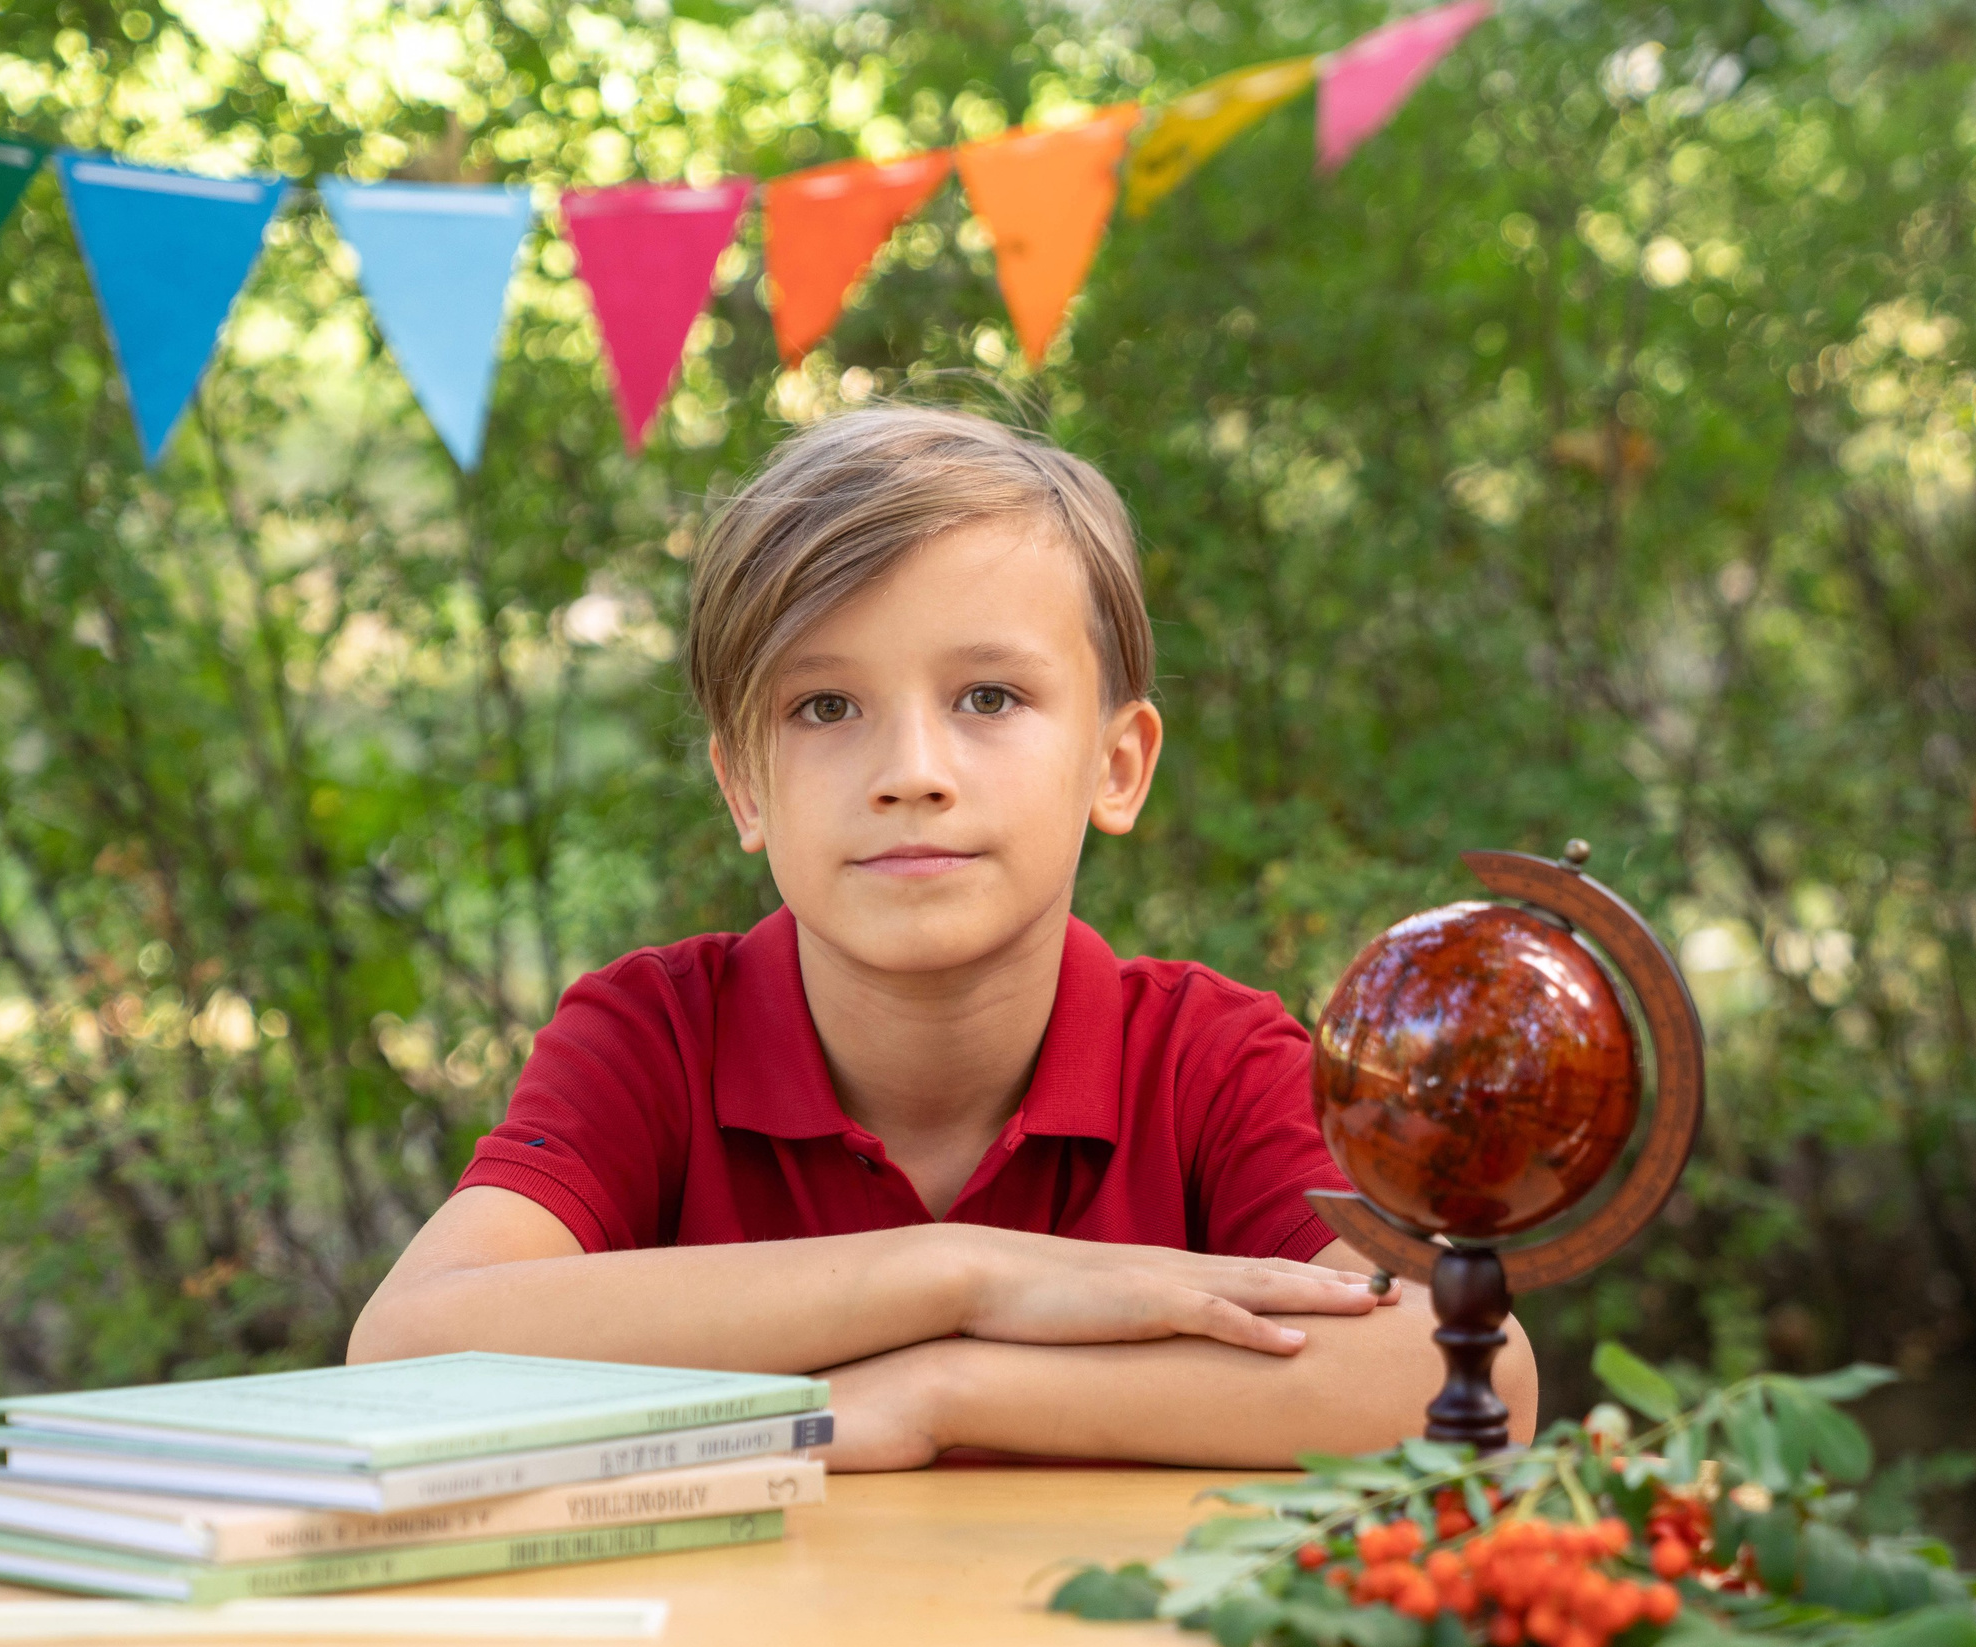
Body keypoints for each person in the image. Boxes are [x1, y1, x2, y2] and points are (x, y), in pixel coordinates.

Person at [348, 406, 1537, 1468]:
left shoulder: (1206, 1058)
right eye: (824, 707)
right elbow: (405, 1352)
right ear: (745, 786)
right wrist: (962, 1273)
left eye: (988, 698)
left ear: (1116, 765)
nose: (911, 772)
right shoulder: (653, 1038)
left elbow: (1464, 1374)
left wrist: (944, 1389)